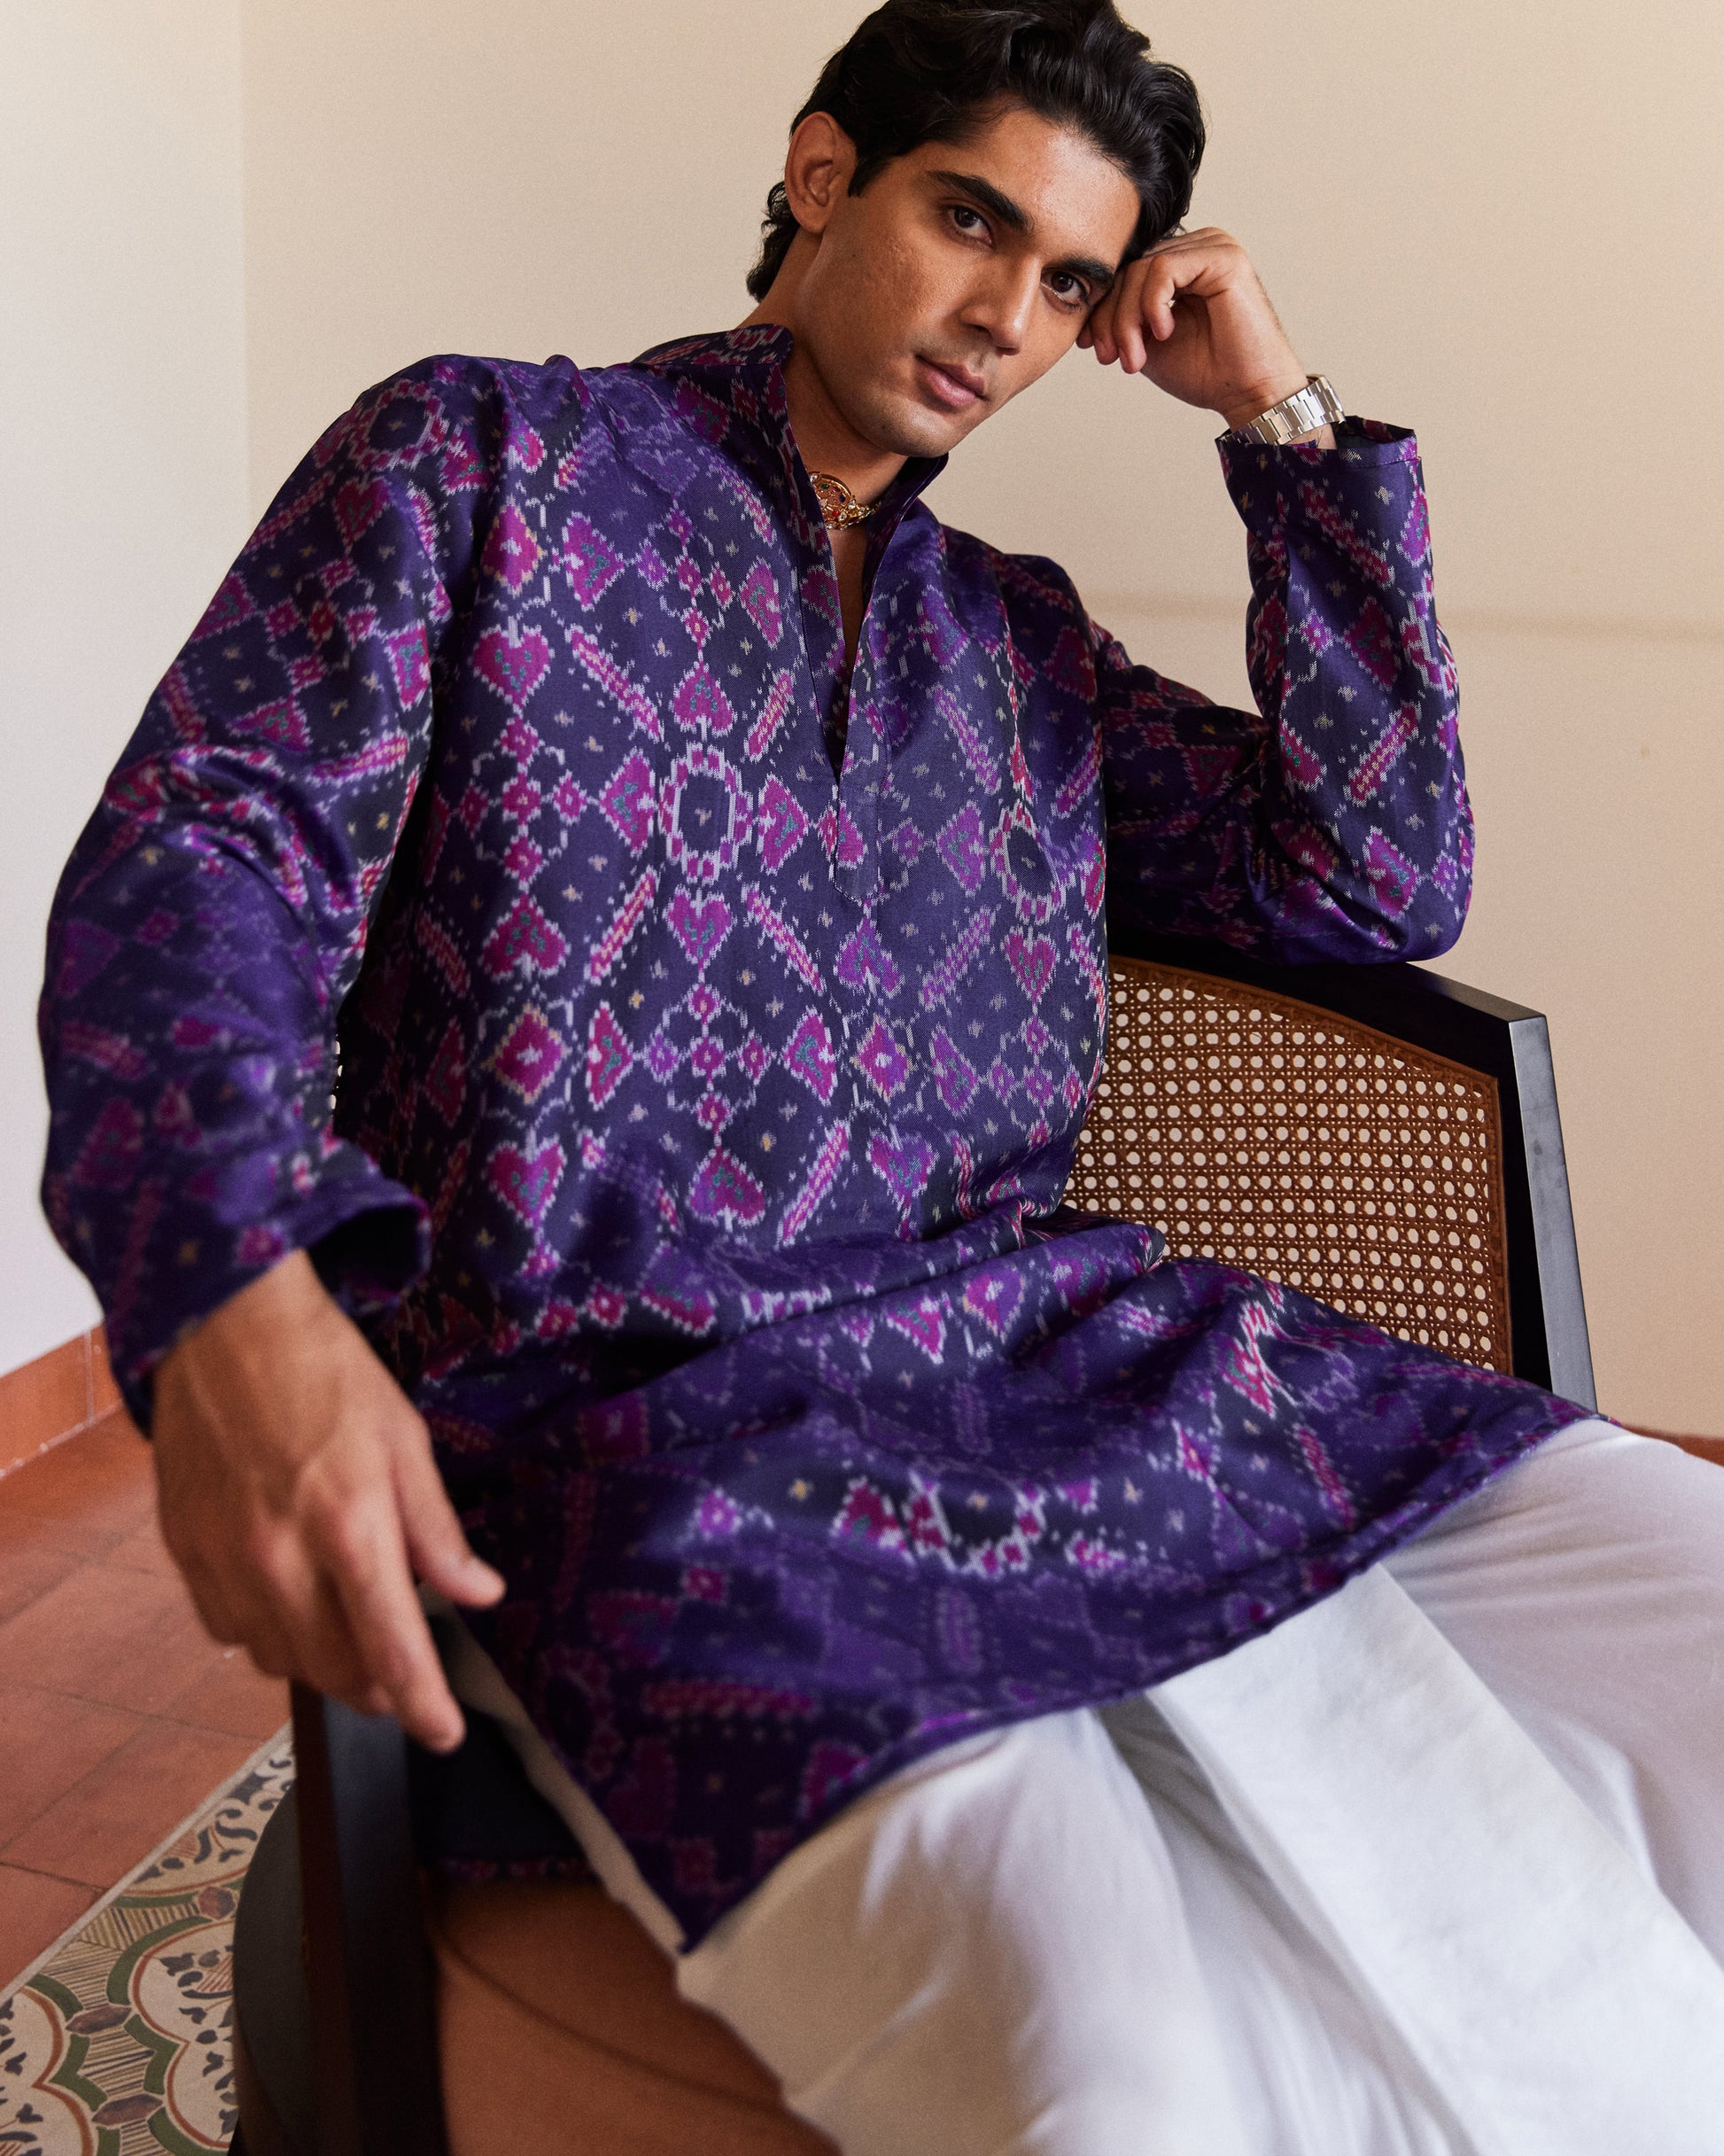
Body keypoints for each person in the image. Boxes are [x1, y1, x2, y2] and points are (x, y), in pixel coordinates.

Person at [38, 1, 1724, 2147]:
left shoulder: (1014, 641)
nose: (1009, 318)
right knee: (1106, 2062)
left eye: (1072, 282)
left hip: (1097, 1367)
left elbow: (1370, 873)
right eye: (971, 219)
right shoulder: (481, 463)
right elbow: (207, 848)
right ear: (822, 172)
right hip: (662, 1438)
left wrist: (1286, 423)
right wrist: (234, 1278)